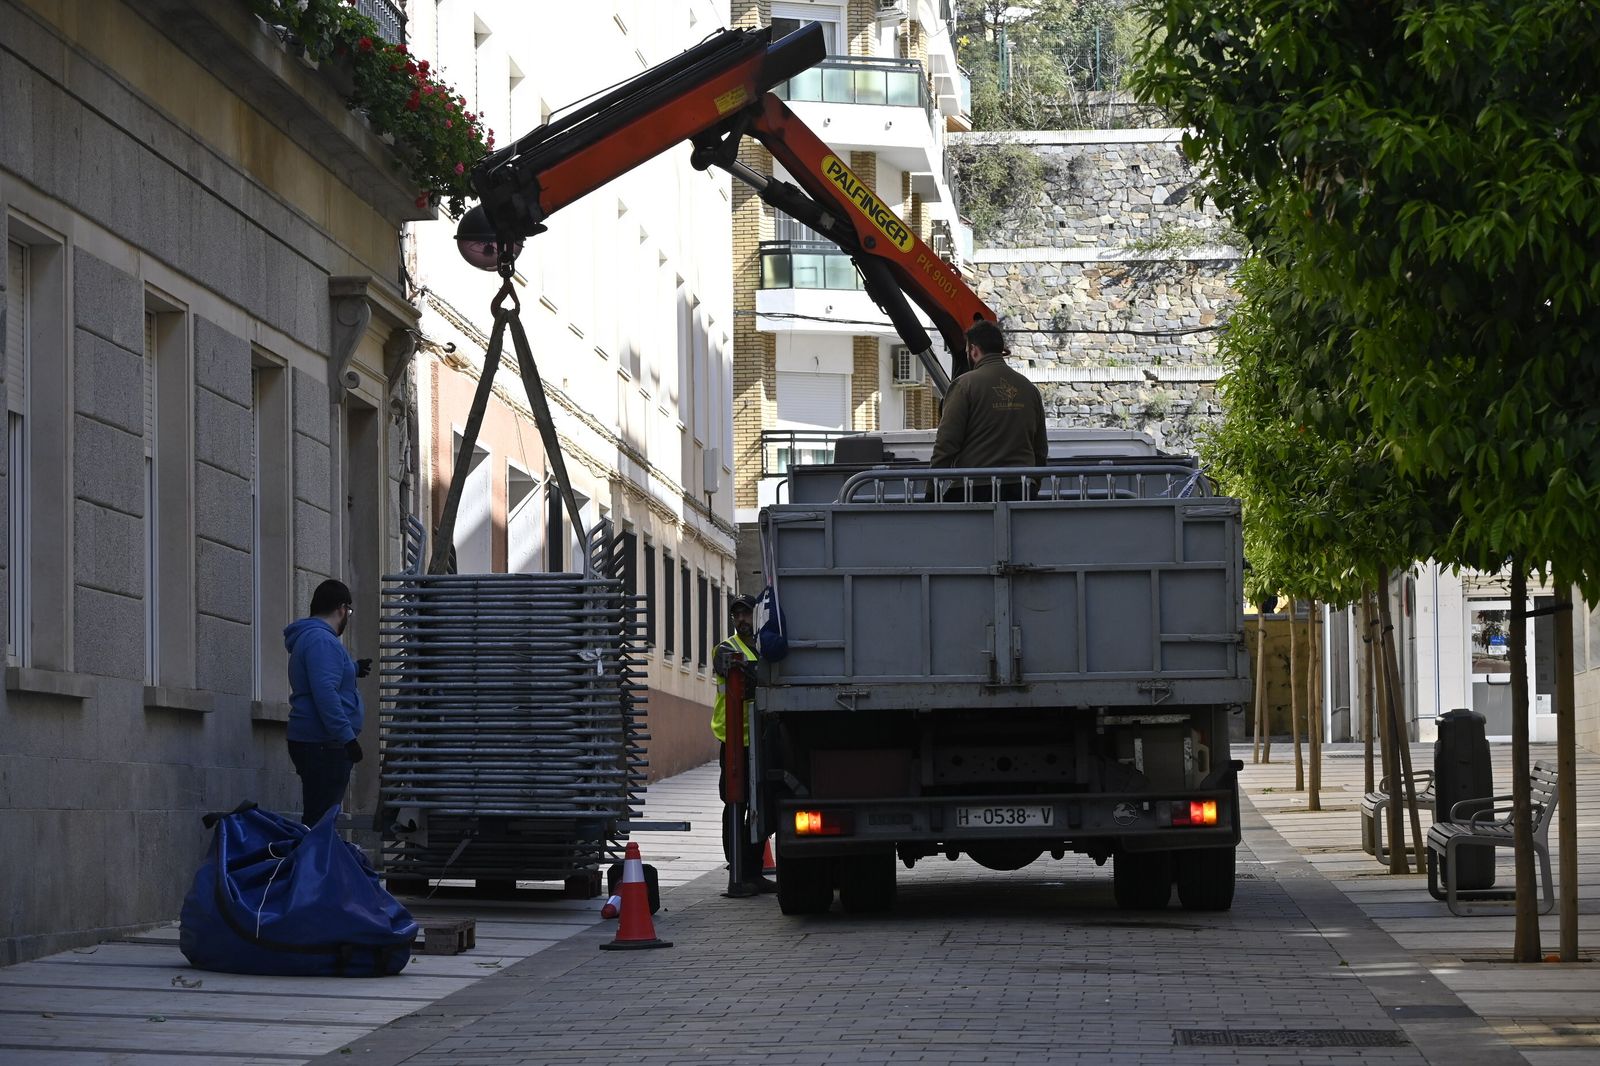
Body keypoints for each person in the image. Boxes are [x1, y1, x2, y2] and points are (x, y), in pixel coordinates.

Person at [284, 579, 372, 827]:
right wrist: (347, 738)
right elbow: (325, 694)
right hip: (324, 743)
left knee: (318, 816)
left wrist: (352, 669)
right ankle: (313, 865)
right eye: (349, 612)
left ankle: (316, 863)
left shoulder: (313, 639)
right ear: (342, 608)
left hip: (318, 742)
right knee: (320, 822)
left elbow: (322, 676)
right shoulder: (322, 641)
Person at [929, 320, 1048, 500]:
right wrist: (1033, 484)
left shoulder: (964, 386)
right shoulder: (1029, 389)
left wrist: (932, 489)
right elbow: (1040, 448)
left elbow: (946, 443)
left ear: (974, 350)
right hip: (1022, 489)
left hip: (974, 489)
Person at [712, 594, 772, 897]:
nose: (741, 620)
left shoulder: (765, 646)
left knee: (762, 805)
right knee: (735, 805)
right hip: (735, 741)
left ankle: (753, 873)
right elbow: (739, 676)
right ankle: (737, 872)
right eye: (736, 615)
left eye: (746, 614)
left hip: (761, 738)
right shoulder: (726, 649)